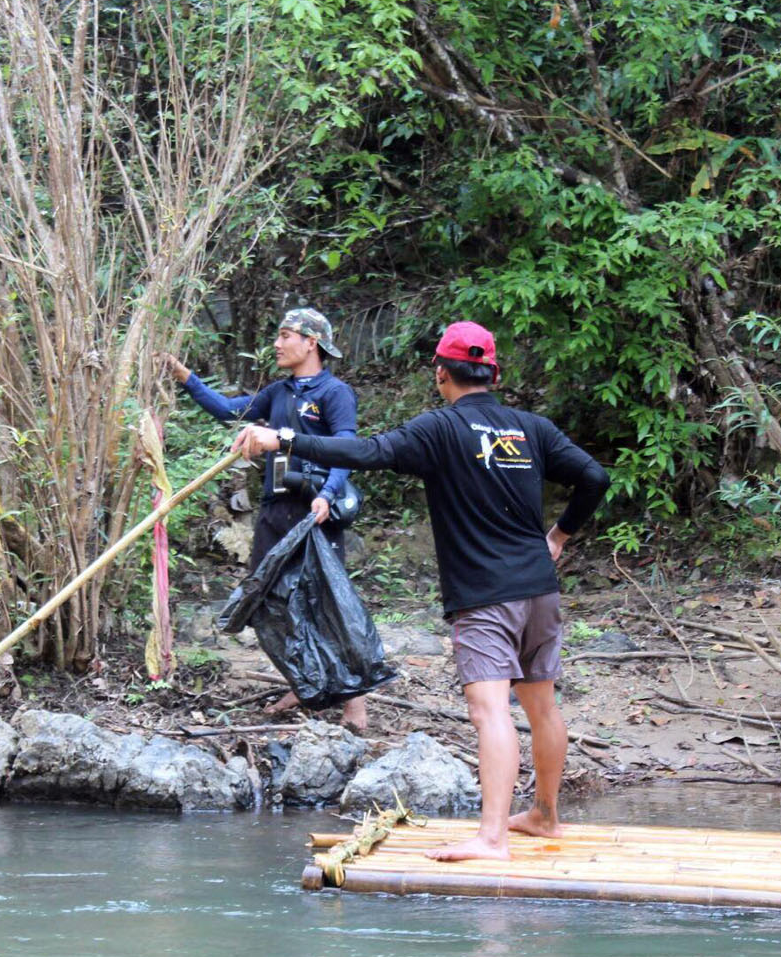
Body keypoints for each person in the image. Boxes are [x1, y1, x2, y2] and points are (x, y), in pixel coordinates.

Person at [233, 321, 610, 860]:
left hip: (485, 595)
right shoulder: (532, 428)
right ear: (493, 373)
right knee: (542, 707)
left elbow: (362, 451)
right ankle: (545, 816)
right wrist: (559, 535)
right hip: (539, 589)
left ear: (441, 374)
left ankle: (492, 838)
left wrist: (285, 437)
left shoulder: (440, 429)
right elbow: (595, 477)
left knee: (490, 711)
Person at [159, 308, 368, 732]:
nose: (277, 343)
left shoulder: (334, 392)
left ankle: (355, 705)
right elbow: (228, 411)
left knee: (327, 604)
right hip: (275, 510)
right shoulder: (277, 393)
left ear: (312, 343)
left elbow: (347, 447)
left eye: (286, 335)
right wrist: (184, 377)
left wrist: (328, 494)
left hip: (315, 511)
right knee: (268, 599)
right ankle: (303, 684)